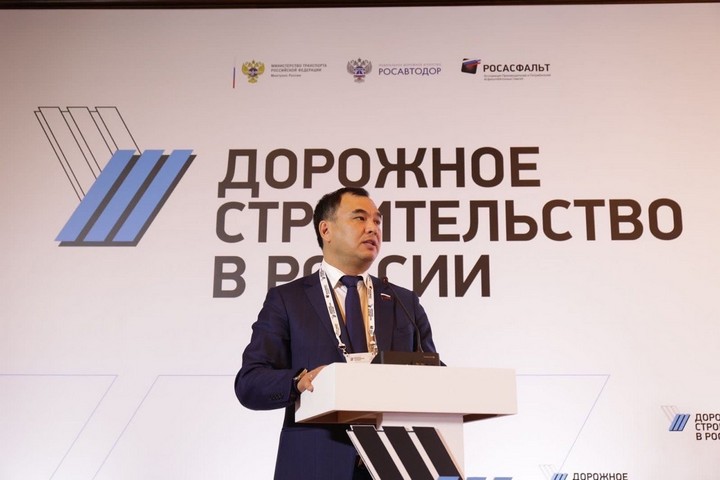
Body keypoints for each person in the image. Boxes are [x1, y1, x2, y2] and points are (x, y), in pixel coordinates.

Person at [234, 187, 439, 480]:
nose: (373, 228)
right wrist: (299, 381)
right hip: (316, 464)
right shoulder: (288, 300)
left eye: (377, 221)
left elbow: (434, 374)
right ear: (326, 230)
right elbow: (250, 382)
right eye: (360, 218)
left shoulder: (403, 301)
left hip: (397, 462)